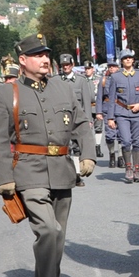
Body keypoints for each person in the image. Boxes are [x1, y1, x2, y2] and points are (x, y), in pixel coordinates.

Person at [0, 34, 94, 277]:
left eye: (47, 54)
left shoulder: (64, 87)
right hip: (28, 171)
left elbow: (82, 122)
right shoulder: (6, 93)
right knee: (48, 231)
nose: (45, 59)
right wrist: (4, 179)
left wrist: (88, 154)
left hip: (61, 169)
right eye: (37, 55)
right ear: (23, 60)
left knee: (57, 238)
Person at [100, 50, 139, 183]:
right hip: (122, 113)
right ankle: (128, 168)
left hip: (137, 113)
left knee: (137, 142)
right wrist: (110, 118)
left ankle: (137, 170)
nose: (128, 60)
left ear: (133, 60)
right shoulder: (116, 77)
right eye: (125, 58)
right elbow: (112, 99)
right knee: (126, 141)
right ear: (121, 61)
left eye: (130, 58)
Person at [58, 53, 93, 186]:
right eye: (63, 65)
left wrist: (88, 119)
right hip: (61, 119)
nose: (65, 67)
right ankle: (68, 174)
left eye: (68, 65)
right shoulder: (57, 80)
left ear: (72, 65)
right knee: (65, 147)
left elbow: (86, 101)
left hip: (77, 119)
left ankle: (77, 175)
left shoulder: (81, 80)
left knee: (77, 147)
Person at [98, 58, 121, 168]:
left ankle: (121, 157)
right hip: (107, 109)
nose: (111, 68)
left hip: (121, 109)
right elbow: (99, 97)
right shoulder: (104, 80)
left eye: (114, 66)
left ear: (118, 67)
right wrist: (99, 111)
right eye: (110, 66)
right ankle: (112, 155)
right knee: (110, 135)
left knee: (122, 135)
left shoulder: (123, 79)